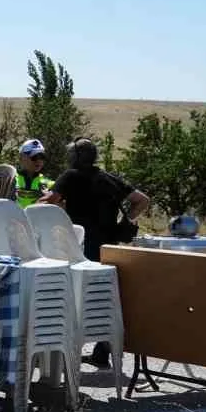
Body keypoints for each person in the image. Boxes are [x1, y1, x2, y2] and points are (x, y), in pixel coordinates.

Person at [42, 137, 151, 367]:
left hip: (80, 248)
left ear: (74, 157)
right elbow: (141, 200)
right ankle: (102, 351)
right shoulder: (108, 178)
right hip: (110, 249)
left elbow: (48, 202)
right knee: (103, 298)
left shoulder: (70, 176)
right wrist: (126, 219)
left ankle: (64, 351)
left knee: (72, 298)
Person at [15, 138, 54, 207]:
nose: (39, 160)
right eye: (34, 157)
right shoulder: (10, 180)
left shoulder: (50, 185)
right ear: (21, 157)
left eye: (42, 157)